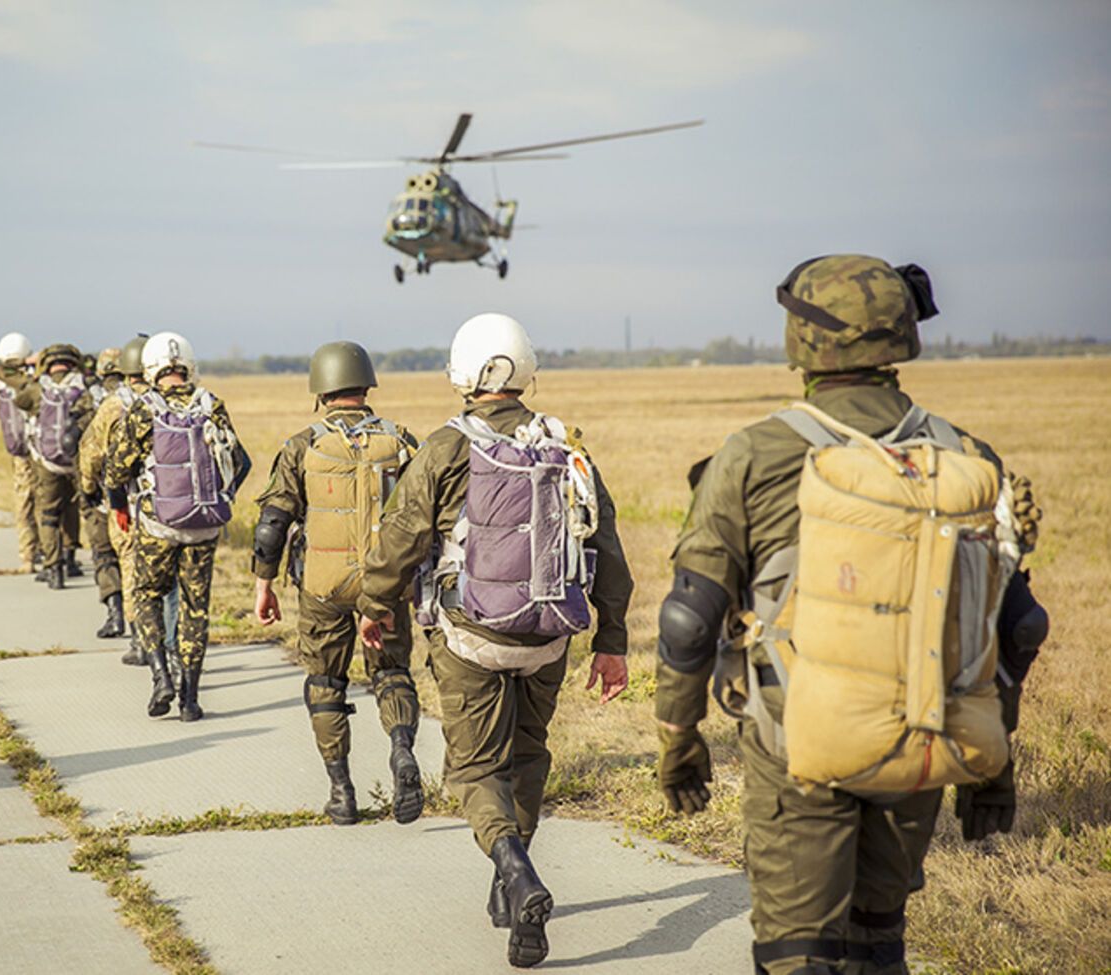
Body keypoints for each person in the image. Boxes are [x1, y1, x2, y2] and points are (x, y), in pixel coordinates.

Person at [653, 255, 1047, 975]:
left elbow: (689, 618)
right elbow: (1012, 624)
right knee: (878, 941)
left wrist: (678, 738)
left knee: (800, 952)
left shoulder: (756, 451)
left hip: (797, 741)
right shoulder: (961, 452)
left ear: (803, 341)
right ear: (902, 336)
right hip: (920, 740)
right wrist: (993, 767)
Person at [357, 313, 634, 969]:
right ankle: (513, 885)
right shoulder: (569, 450)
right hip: (547, 637)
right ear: (526, 370)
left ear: (462, 374)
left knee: (477, 769)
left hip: (469, 636)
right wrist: (612, 640)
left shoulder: (446, 448)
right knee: (530, 751)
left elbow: (399, 541)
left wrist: (374, 605)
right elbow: (606, 547)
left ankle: (513, 866)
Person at [252, 341, 422, 826]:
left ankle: (341, 791)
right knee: (392, 672)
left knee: (326, 682)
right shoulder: (403, 441)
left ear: (320, 389)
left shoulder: (302, 445)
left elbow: (272, 524)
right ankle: (401, 749)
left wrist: (263, 584)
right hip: (384, 588)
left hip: (322, 589)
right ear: (366, 386)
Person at [105, 331, 250, 721]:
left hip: (158, 526)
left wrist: (122, 503)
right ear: (188, 366)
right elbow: (241, 462)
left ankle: (160, 677)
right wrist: (224, 496)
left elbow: (115, 469)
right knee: (195, 609)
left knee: (148, 595)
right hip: (204, 527)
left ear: (151, 368)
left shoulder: (143, 409)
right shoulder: (212, 404)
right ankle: (189, 699)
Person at [79, 341, 146, 644]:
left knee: (121, 559)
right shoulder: (171, 399)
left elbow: (91, 453)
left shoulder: (111, 404)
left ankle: (135, 633)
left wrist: (89, 488)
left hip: (122, 501)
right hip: (169, 504)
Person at [15, 343, 94, 589]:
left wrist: (33, 376)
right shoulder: (83, 387)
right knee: (74, 508)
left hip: (46, 461)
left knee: (49, 513)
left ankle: (54, 568)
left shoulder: (40, 388)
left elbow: (20, 401)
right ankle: (70, 557)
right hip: (77, 461)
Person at [0, 332, 41, 573]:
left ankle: (28, 556)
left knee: (24, 504)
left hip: (18, 452)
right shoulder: (35, 379)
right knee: (46, 501)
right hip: (41, 448)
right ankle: (53, 552)